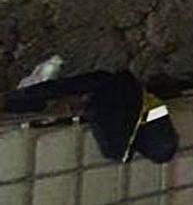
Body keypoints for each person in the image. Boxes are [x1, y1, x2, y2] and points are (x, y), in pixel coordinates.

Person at [2, 69, 179, 163]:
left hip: (111, 89)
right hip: (104, 94)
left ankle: (12, 101)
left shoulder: (143, 116)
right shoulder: (121, 132)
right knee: (47, 95)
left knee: (47, 93)